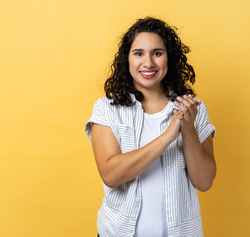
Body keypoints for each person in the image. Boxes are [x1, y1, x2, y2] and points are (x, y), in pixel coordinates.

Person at [85, 17, 216, 237]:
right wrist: (168, 136)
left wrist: (189, 129)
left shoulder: (194, 110)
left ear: (169, 58)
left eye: (157, 53)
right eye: (138, 53)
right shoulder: (107, 109)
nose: (148, 63)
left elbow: (204, 182)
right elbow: (111, 175)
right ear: (127, 59)